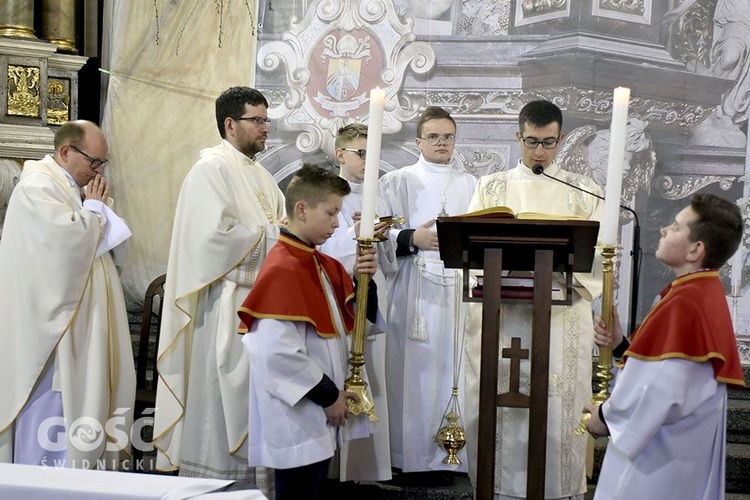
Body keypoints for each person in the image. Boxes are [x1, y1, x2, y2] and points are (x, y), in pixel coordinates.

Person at [464, 100, 604, 499]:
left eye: (548, 143)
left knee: (555, 405)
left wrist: (553, 275)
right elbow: (471, 252)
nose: (539, 152)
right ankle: (497, 488)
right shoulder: (491, 187)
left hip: (558, 320)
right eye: (531, 142)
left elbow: (597, 257)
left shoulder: (584, 192)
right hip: (502, 315)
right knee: (500, 405)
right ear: (518, 137)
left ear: (560, 140)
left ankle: (558, 489)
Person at [153, 87, 285, 489]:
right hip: (224, 309)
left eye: (266, 120)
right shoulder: (210, 170)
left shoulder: (261, 174)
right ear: (231, 124)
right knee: (218, 406)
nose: (265, 129)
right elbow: (210, 241)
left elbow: (279, 228)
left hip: (261, 307)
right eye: (257, 121)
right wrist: (277, 237)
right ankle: (215, 489)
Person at [585, 193, 746, 499]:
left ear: (695, 249)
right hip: (677, 455)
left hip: (656, 464)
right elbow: (668, 373)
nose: (663, 230)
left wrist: (604, 418)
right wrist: (621, 346)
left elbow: (662, 391)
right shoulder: (699, 293)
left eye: (675, 226)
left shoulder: (687, 304)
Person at [237, 163, 378, 500]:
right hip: (297, 415)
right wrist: (329, 396)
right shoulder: (284, 267)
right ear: (301, 209)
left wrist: (365, 283)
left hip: (315, 414)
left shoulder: (317, 263)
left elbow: (352, 324)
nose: (336, 223)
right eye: (331, 213)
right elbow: (274, 352)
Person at [0, 120, 135, 468]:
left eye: (103, 163)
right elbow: (63, 251)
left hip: (84, 328)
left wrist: (95, 208)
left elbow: (109, 244)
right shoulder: (37, 189)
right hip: (54, 341)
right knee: (54, 424)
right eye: (94, 162)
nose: (99, 170)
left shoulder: (75, 188)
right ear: (65, 152)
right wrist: (93, 211)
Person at [378, 106, 477, 476]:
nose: (441, 143)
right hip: (413, 291)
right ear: (418, 141)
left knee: (453, 368)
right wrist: (411, 237)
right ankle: (410, 456)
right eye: (433, 136)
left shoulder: (472, 184)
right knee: (412, 370)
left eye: (448, 136)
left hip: (458, 292)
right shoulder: (397, 181)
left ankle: (453, 456)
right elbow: (376, 232)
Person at [318, 124, 396, 482]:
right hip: (339, 297)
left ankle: (366, 471)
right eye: (361, 153)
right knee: (345, 371)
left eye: (373, 154)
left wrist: (383, 238)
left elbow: (392, 262)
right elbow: (319, 249)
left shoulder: (378, 195)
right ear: (340, 154)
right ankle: (336, 470)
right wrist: (355, 235)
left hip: (372, 290)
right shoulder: (327, 193)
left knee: (371, 376)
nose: (368, 161)